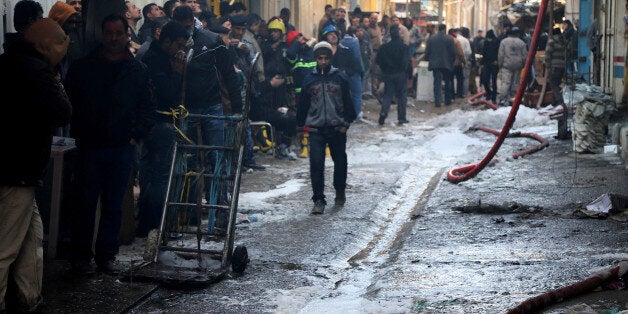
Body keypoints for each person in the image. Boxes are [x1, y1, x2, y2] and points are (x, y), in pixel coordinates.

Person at [65, 13, 155, 274]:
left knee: (114, 204)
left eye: (119, 33)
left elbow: (147, 107)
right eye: (109, 33)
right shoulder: (84, 67)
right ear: (102, 35)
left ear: (127, 35)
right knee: (84, 203)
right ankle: (81, 257)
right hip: (89, 146)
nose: (113, 38)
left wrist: (135, 134)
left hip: (121, 148)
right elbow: (70, 102)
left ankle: (106, 255)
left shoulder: (137, 70)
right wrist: (80, 131)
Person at [0, 18, 71, 313]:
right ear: (46, 46)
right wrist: (56, 80)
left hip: (14, 168)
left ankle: (29, 298)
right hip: (18, 169)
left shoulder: (5, 62)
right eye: (61, 47)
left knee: (31, 239)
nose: (63, 53)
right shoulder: (38, 71)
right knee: (6, 247)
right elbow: (62, 111)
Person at [172, 5, 243, 235]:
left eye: (187, 27)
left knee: (217, 156)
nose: (185, 32)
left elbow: (229, 75)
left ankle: (221, 211)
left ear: (193, 23)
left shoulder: (211, 42)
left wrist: (237, 109)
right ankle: (190, 212)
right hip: (187, 108)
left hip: (212, 106)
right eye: (180, 28)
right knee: (189, 160)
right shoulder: (173, 44)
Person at [135, 21, 189, 237]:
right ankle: (154, 225)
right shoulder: (155, 60)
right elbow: (168, 94)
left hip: (154, 124)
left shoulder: (159, 56)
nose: (180, 51)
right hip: (159, 125)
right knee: (159, 177)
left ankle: (148, 224)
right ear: (166, 41)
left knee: (150, 175)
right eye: (178, 45)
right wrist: (177, 73)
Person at [297, 41, 356, 215]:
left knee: (340, 161)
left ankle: (339, 190)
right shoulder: (309, 80)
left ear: (330, 58)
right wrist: (301, 127)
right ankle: (318, 199)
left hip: (337, 128)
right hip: (315, 129)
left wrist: (345, 123)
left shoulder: (340, 78)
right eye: (320, 58)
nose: (323, 61)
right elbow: (303, 105)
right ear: (315, 59)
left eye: (326, 58)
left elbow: (348, 104)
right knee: (316, 164)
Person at [376, 24, 409, 125]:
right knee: (401, 96)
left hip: (388, 74)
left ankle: (383, 112)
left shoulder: (384, 47)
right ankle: (401, 118)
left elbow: (378, 61)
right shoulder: (404, 47)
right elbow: (406, 62)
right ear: (398, 33)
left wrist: (384, 70)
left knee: (388, 95)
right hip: (400, 74)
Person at [424, 24, 456, 107]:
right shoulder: (449, 39)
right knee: (447, 82)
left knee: (437, 83)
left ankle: (437, 101)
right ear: (445, 29)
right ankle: (447, 100)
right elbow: (453, 52)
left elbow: (427, 51)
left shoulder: (432, 38)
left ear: (438, 29)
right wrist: (452, 61)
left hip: (435, 64)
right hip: (447, 64)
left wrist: (428, 60)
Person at [339, 26, 365, 121]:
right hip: (354, 72)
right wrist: (361, 70)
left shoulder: (341, 42)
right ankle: (357, 113)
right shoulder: (355, 42)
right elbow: (357, 57)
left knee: (345, 94)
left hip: (343, 71)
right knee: (356, 94)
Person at [497, 26, 527, 106]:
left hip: (506, 65)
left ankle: (503, 99)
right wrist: (523, 65)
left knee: (506, 82)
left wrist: (500, 65)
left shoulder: (504, 42)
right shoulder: (521, 42)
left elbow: (501, 55)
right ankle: (514, 98)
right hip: (518, 65)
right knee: (515, 82)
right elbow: (525, 56)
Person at [544, 28, 566, 108]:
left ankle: (560, 100)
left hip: (554, 66)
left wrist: (547, 65)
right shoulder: (563, 41)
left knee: (553, 84)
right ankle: (555, 101)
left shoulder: (552, 41)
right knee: (558, 83)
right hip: (562, 66)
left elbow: (548, 54)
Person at [480, 29, 499, 103]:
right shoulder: (486, 42)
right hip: (488, 64)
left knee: (492, 80)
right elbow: (484, 53)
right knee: (486, 80)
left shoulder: (496, 41)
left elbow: (498, 52)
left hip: (493, 64)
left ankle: (493, 96)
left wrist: (497, 61)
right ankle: (489, 94)